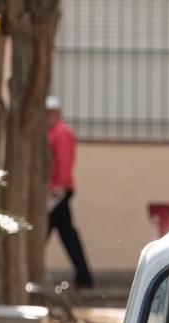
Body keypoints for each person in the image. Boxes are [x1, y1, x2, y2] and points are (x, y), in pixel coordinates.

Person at [45, 95, 94, 291]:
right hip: (54, 191)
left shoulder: (60, 132)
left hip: (57, 192)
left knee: (43, 231)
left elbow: (64, 160)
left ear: (56, 113)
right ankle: (84, 276)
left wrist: (60, 184)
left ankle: (84, 276)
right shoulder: (52, 131)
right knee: (68, 235)